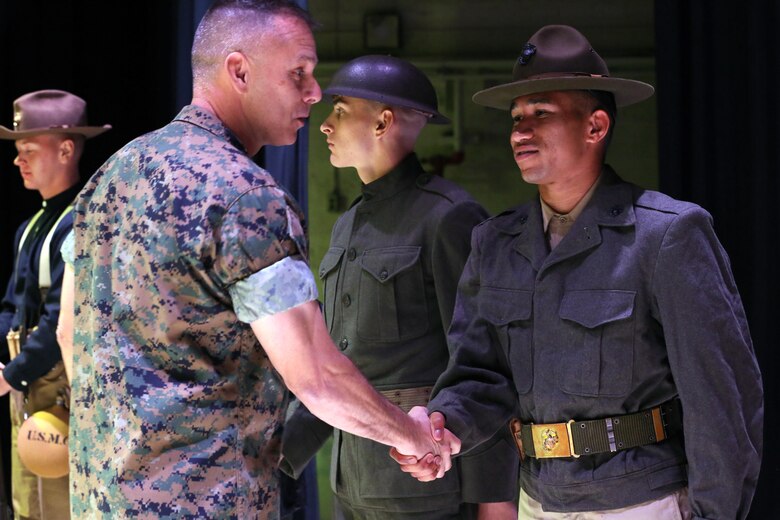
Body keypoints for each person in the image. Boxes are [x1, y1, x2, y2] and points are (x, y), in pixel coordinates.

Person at [56, 2, 459, 518]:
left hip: (98, 499)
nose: (314, 93)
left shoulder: (108, 178)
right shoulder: (245, 197)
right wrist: (411, 435)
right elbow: (315, 376)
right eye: (299, 74)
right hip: (208, 503)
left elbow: (69, 333)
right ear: (239, 71)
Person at [394, 25, 764, 519]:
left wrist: (716, 512)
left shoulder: (666, 236)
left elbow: (721, 397)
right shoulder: (495, 242)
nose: (520, 131)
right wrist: (440, 427)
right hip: (539, 501)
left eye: (541, 113)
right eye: (516, 117)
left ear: (596, 126)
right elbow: (479, 375)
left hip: (642, 501)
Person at [280, 56, 519, 519]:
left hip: (426, 486)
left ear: (383, 121)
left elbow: (486, 366)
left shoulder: (449, 216)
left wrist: (494, 500)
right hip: (352, 481)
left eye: (342, 110)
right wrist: (279, 453)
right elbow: (342, 363)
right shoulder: (350, 223)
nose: (325, 125)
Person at [0, 89, 110, 520]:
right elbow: (13, 304)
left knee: (60, 502)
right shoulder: (30, 226)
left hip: (62, 386)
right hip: (25, 383)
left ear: (66, 149)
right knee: (28, 500)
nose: (17, 159)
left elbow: (61, 321)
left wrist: (14, 373)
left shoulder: (83, 222)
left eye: (28, 149)